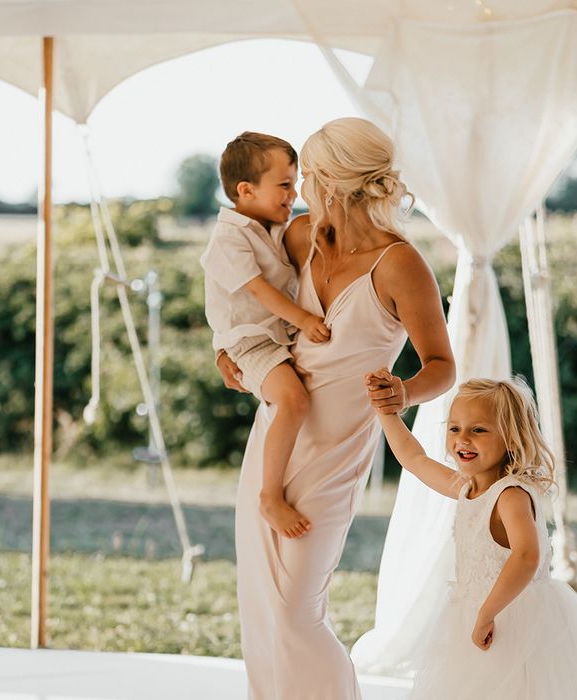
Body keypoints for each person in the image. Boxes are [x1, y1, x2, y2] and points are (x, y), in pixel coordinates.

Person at [217, 117, 455, 699]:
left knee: (298, 611)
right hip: (277, 429)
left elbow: (441, 366)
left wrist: (405, 392)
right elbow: (242, 288)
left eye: (307, 179)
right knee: (262, 605)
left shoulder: (401, 264)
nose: (298, 192)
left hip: (337, 448)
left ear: (329, 180)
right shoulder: (300, 237)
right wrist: (228, 352)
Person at [368, 371, 577, 700]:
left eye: (478, 430)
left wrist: (488, 613)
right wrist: (385, 411)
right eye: (455, 428)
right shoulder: (467, 488)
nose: (463, 439)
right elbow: (414, 459)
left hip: (516, 620)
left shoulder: (510, 494)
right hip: (474, 616)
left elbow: (526, 555)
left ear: (511, 439)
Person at [201, 132, 331, 538]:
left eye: (294, 184)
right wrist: (306, 319)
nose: (294, 194)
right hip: (249, 342)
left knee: (296, 403)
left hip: (273, 336)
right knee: (293, 402)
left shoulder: (272, 226)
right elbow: (259, 291)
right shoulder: (229, 237)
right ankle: (269, 496)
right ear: (246, 190)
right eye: (285, 185)